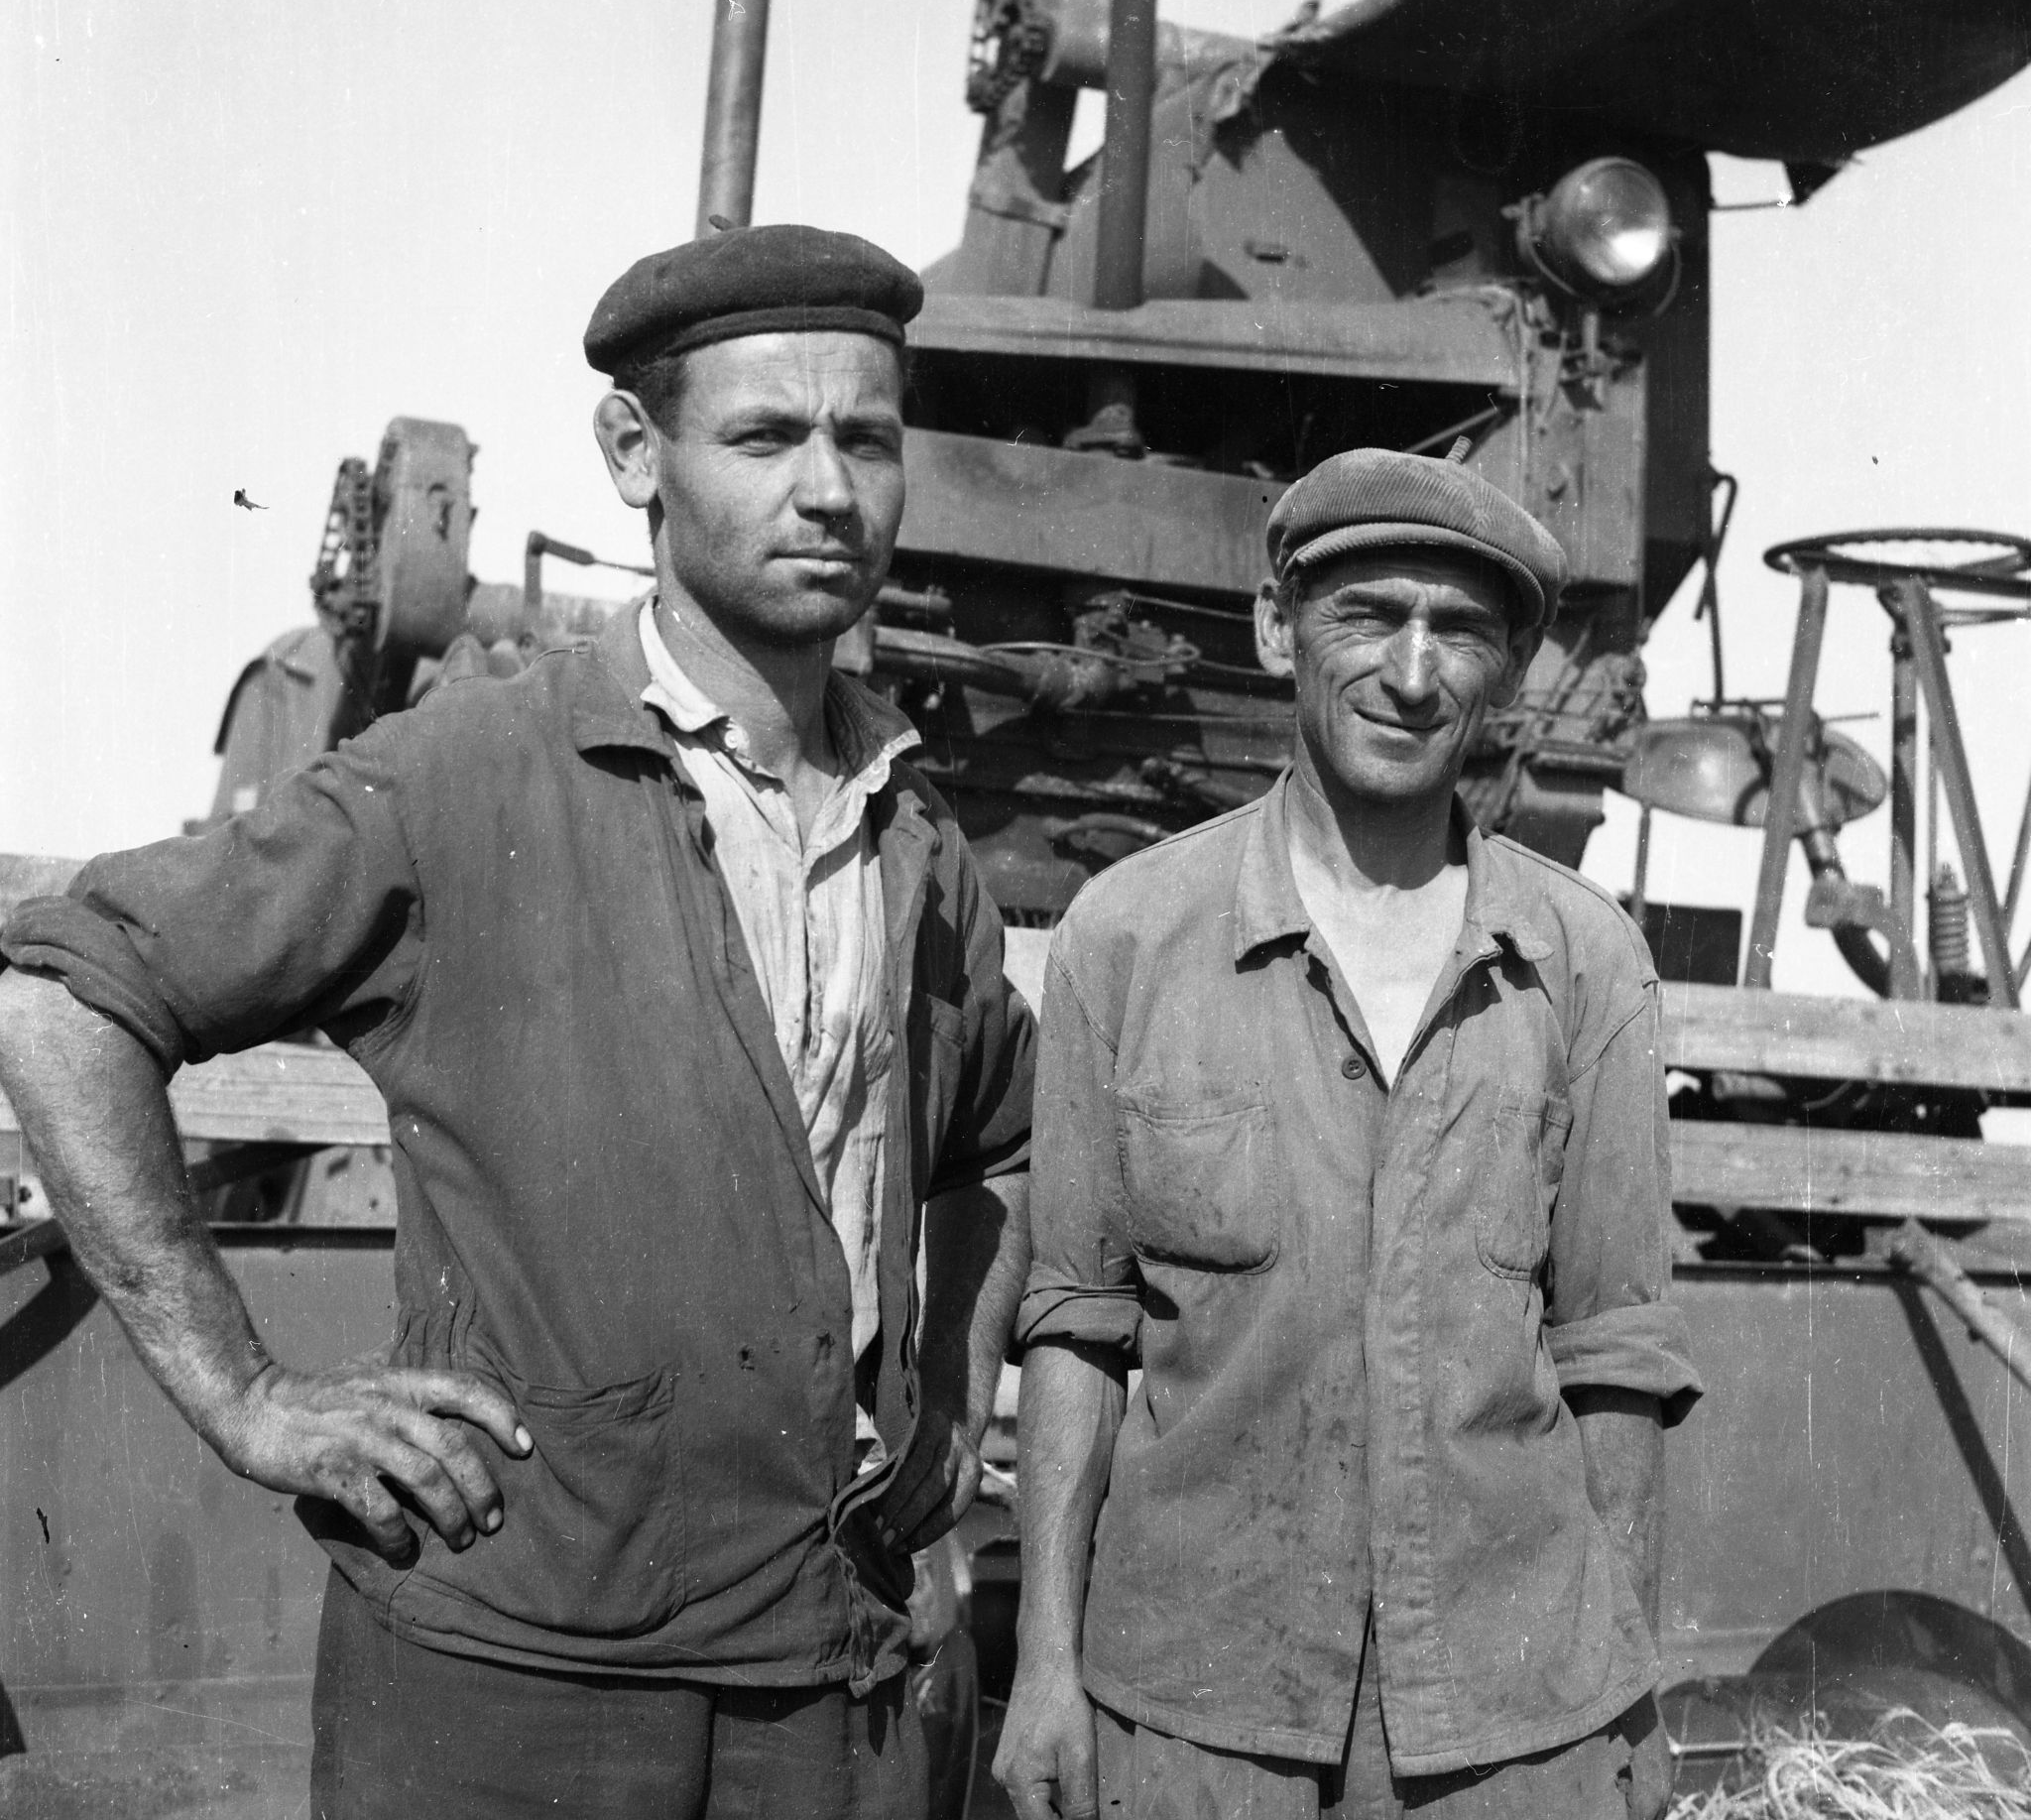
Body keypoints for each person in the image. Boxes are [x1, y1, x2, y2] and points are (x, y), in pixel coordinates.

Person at [0, 223, 1034, 1819]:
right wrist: (250, 1398)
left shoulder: (915, 836)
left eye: (868, 439)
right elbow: (67, 1000)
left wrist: (954, 1391)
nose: (830, 489)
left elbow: (996, 1147)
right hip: (513, 1679)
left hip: (835, 1675)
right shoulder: (460, 778)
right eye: (765, 436)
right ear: (633, 453)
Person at [995, 448, 1702, 1820]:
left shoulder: (1585, 963)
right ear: (1278, 628)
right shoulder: (1127, 939)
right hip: (1198, 1717)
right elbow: (1076, 1322)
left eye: (1461, 632)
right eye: (1368, 616)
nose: (1413, 674)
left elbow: (1616, 1353)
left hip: (1511, 1729)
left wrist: (1626, 1696)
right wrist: (1044, 1668)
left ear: (1507, 673)